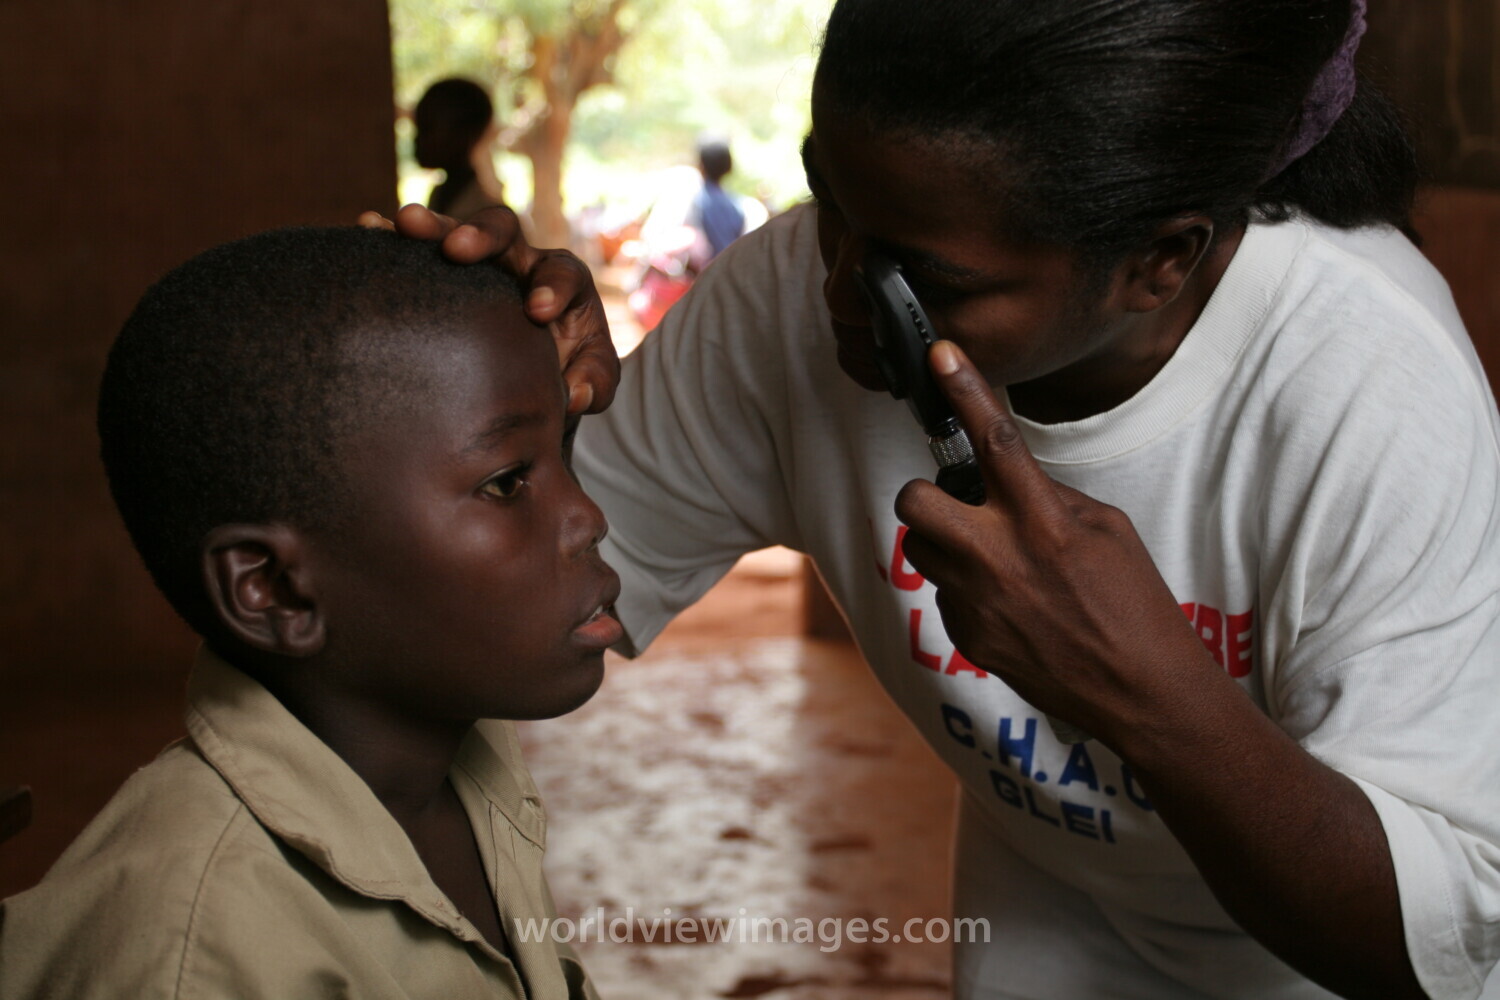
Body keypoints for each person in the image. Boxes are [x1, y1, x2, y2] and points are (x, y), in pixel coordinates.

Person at [382, 1, 1500, 997]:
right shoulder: (794, 296)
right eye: (828, 201)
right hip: (1044, 934)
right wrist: (504, 410)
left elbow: (1434, 942)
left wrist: (1146, 693)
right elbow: (542, 599)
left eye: (931, 283)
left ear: (1161, 260)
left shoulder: (1369, 382)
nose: (836, 289)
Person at [0, 226, 616, 999]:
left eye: (568, 445)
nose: (589, 516)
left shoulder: (457, 758)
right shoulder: (195, 959)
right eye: (505, 482)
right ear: (275, 590)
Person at [415, 77, 509, 220]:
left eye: (426, 129)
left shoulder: (487, 215)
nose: (416, 139)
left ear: (462, 133)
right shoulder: (440, 195)